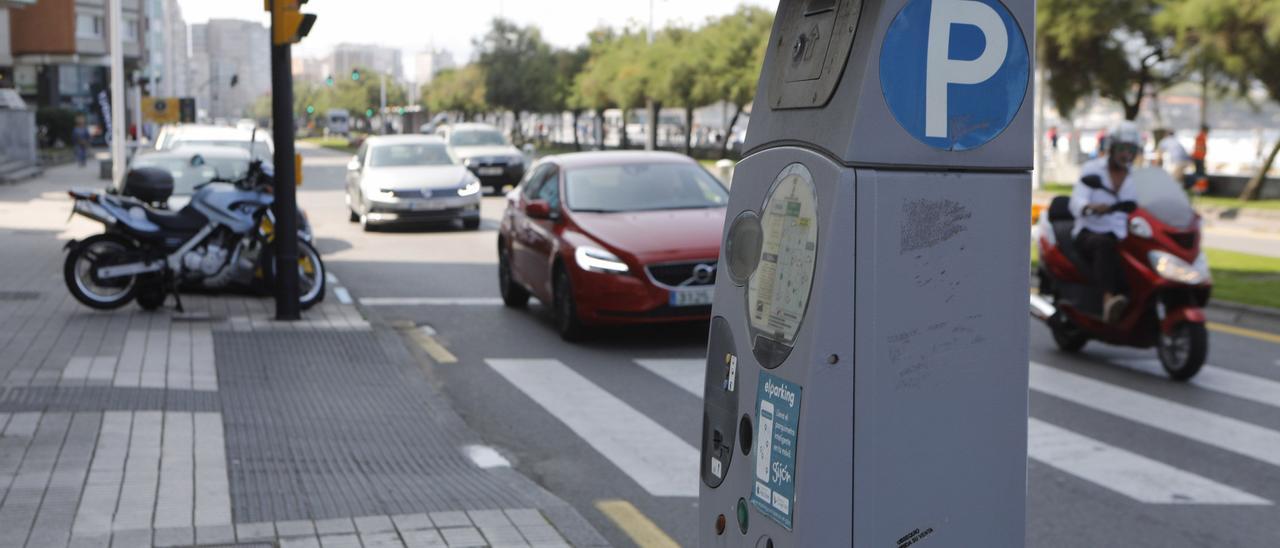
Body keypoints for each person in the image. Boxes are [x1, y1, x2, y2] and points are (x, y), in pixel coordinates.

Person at [1070, 121, 1141, 323]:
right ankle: (1108, 300)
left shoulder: (1137, 177)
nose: (1126, 155)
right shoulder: (1092, 169)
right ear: (1111, 147)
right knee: (1104, 245)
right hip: (1090, 231)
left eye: (1131, 150)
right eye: (1122, 149)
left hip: (1122, 233)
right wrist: (1090, 207)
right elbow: (1077, 200)